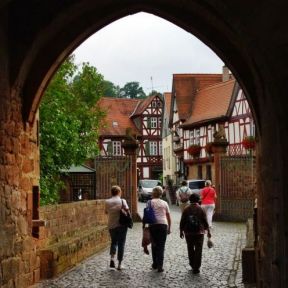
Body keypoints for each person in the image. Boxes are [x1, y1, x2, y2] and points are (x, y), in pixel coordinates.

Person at [180, 193, 211, 274]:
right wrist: (208, 232)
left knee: (190, 248)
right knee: (198, 249)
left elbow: (182, 221)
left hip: (188, 232)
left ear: (190, 200)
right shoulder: (201, 209)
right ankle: (196, 267)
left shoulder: (186, 209)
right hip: (199, 232)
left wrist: (181, 231)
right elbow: (205, 221)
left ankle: (192, 264)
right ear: (198, 200)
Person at [143, 186, 171, 272]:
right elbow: (168, 216)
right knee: (161, 246)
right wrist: (169, 227)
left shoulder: (149, 202)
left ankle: (155, 264)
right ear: (161, 193)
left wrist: (144, 226)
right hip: (163, 225)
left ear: (153, 193)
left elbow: (146, 214)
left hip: (153, 225)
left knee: (154, 244)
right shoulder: (164, 203)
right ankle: (160, 266)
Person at [105, 185, 130, 270]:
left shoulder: (107, 201)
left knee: (113, 242)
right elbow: (127, 210)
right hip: (121, 225)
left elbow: (106, 212)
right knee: (121, 244)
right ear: (119, 192)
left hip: (111, 225)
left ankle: (112, 259)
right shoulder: (122, 201)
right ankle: (119, 264)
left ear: (111, 192)